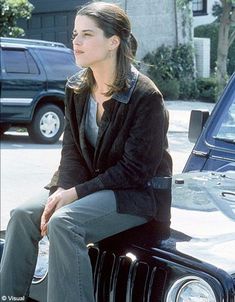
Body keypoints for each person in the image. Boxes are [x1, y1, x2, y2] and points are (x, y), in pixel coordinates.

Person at [0, 2, 172, 301]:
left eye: (87, 34)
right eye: (75, 34)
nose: (76, 42)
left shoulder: (146, 96)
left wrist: (74, 194)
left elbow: (135, 170)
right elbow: (72, 151)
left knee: (64, 222)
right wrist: (63, 188)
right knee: (23, 215)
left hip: (135, 194)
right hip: (90, 185)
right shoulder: (77, 86)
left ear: (113, 42)